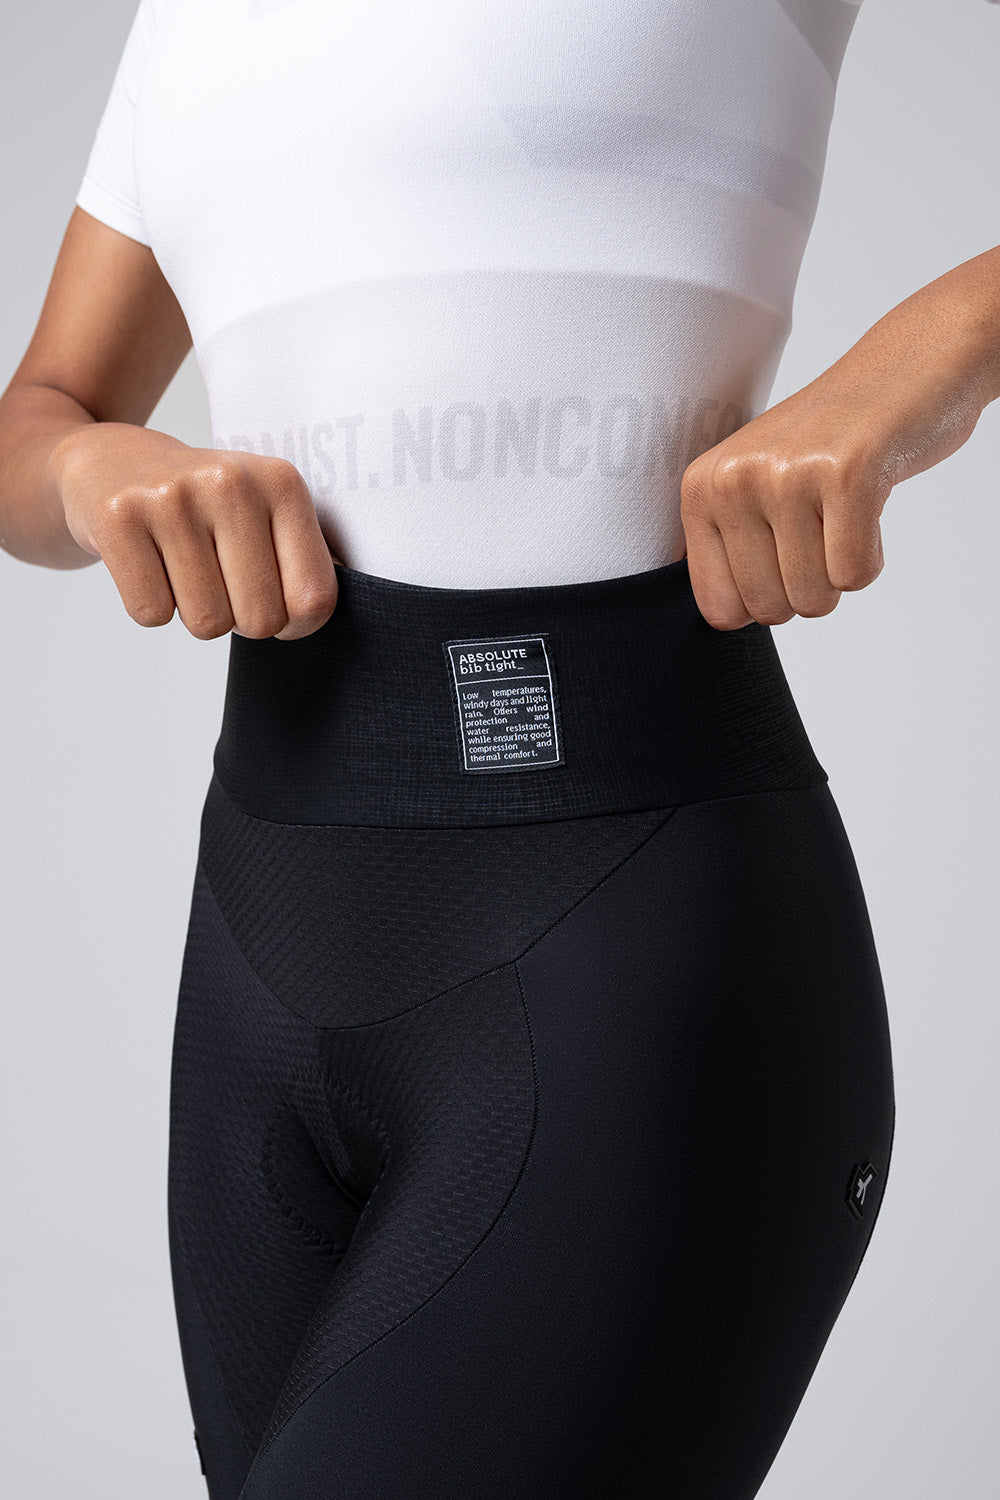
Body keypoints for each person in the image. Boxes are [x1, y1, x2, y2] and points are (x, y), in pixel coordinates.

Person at [1, 2, 997, 1496]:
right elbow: (43, 411)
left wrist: (919, 366)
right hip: (259, 954)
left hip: (630, 950)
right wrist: (89, 465)